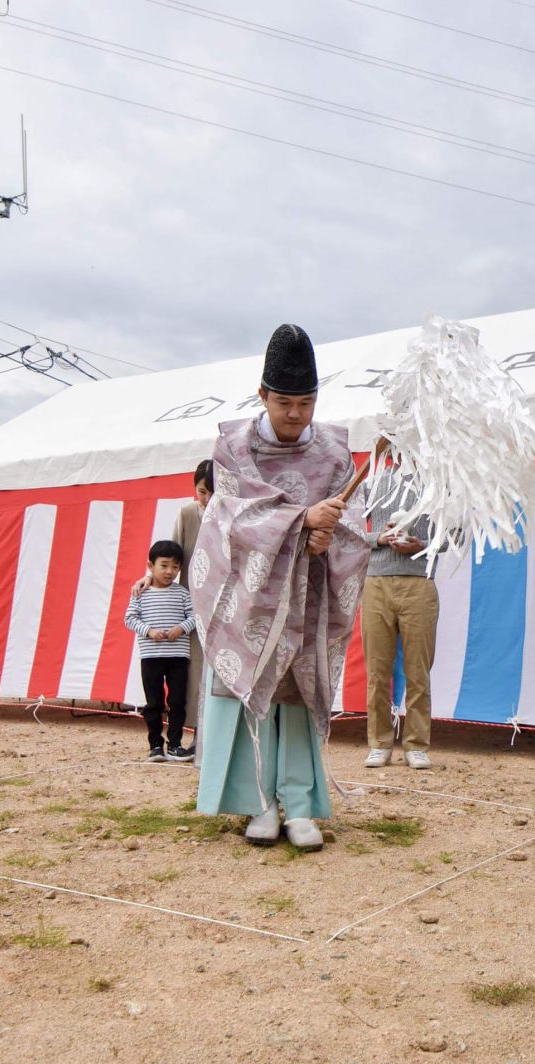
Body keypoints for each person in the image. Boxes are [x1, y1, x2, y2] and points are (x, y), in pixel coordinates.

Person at [190, 323, 369, 851]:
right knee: (254, 696)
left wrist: (328, 538)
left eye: (306, 403)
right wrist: (299, 523)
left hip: (309, 594)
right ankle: (259, 804)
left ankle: (302, 803)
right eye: (285, 402)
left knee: (296, 693)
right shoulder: (233, 449)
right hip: (251, 594)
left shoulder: (336, 452)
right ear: (263, 394)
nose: (295, 414)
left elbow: (355, 518)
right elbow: (229, 516)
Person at [361, 464, 441, 769]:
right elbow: (350, 528)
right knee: (377, 670)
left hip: (419, 582)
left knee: (418, 668)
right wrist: (379, 540)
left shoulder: (435, 480)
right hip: (377, 581)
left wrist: (421, 545)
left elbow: (456, 534)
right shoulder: (372, 480)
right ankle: (379, 742)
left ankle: (416, 744)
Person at [133, 460, 214, 760]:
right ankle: (195, 736)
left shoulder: (231, 514)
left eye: (212, 493)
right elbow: (170, 554)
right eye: (202, 491)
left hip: (225, 602)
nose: (207, 499)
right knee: (193, 672)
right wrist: (148, 577)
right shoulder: (187, 513)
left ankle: (217, 734)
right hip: (191, 602)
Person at [125, 540, 197, 762]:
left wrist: (180, 628)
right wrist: (149, 631)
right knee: (154, 703)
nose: (170, 571)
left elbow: (195, 617)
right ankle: (155, 746)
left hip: (178, 657)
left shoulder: (183, 593)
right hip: (151, 657)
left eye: (175, 567)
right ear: (150, 565)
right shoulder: (141, 592)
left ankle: (175, 745)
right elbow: (129, 619)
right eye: (164, 565)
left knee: (176, 701)